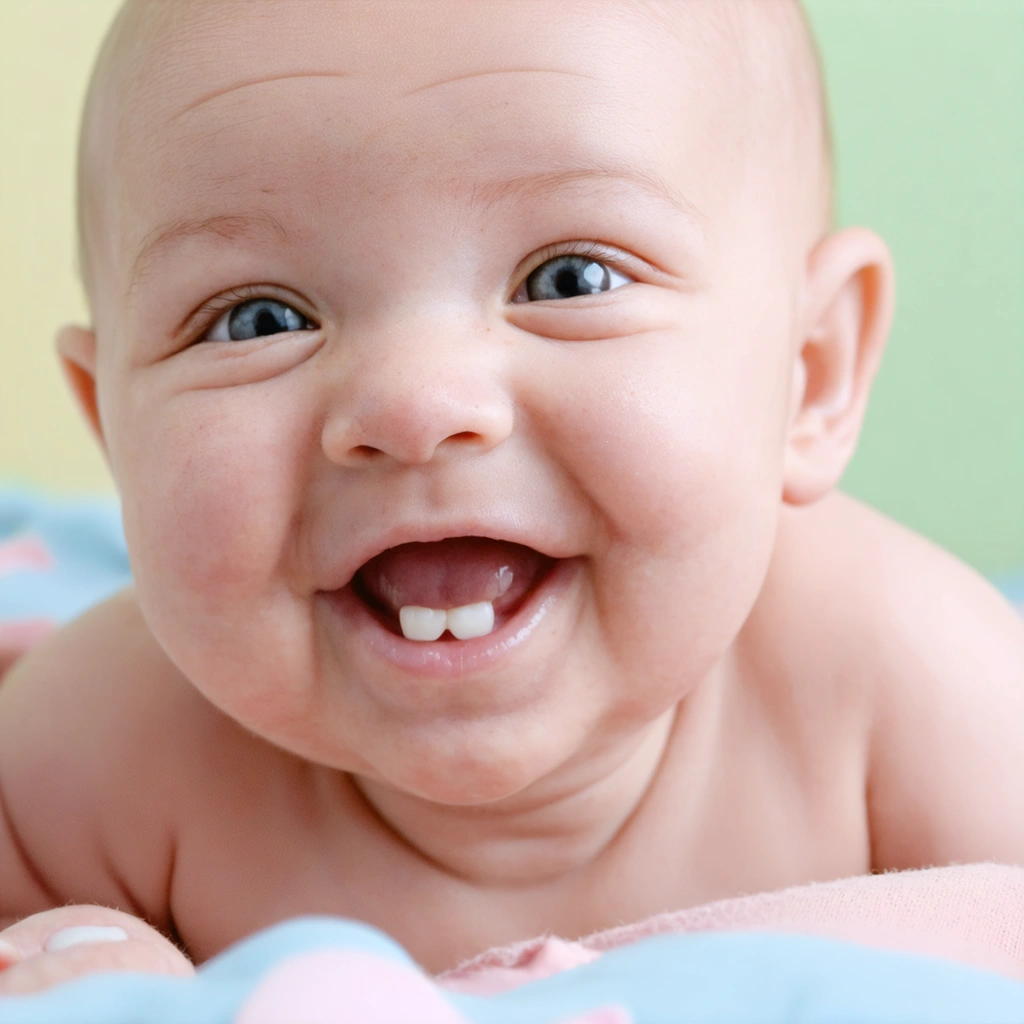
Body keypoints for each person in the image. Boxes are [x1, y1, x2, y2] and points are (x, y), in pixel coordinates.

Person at [0, 0, 1021, 996]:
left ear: (812, 371)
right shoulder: (99, 753)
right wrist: (78, 947)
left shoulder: (912, 686)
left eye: (569, 280)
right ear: (115, 433)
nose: (414, 405)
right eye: (257, 318)